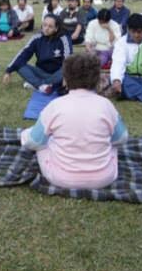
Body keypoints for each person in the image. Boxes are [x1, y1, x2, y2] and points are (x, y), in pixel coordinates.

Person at [21, 53, 128, 189]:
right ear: (97, 80)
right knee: (113, 144)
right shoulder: (106, 105)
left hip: (61, 178)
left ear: (65, 79)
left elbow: (33, 142)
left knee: (43, 143)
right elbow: (122, 139)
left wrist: (24, 135)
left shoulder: (55, 106)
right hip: (104, 178)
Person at [3, 14, 72, 93]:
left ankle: (37, 84)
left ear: (56, 28)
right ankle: (44, 85)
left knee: (68, 69)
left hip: (57, 73)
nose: (46, 28)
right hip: (40, 72)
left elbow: (68, 59)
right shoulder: (37, 37)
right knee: (19, 65)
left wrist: (65, 77)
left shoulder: (64, 38)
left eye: (50, 26)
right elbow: (23, 54)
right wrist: (8, 71)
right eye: (45, 25)